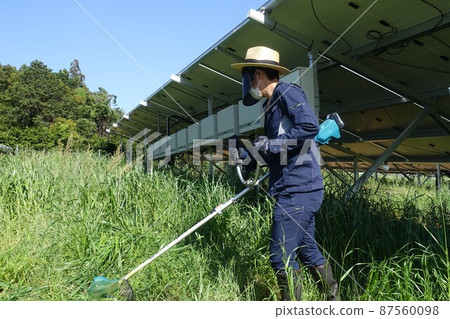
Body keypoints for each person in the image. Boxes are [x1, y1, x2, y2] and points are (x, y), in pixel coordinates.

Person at [231, 46, 338, 301]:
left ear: (257, 75)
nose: (247, 84)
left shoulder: (286, 92)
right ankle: (334, 303)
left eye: (247, 77)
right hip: (298, 189)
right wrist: (250, 156)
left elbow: (309, 126)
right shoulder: (270, 105)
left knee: (281, 255)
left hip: (297, 191)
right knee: (307, 251)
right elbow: (282, 147)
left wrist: (270, 144)